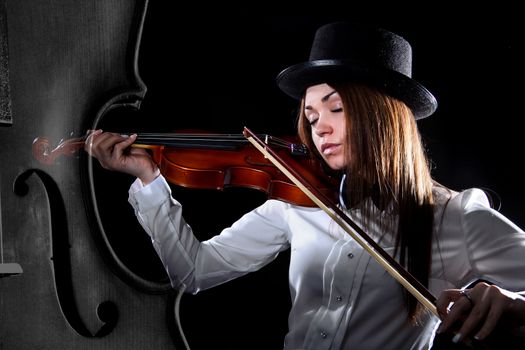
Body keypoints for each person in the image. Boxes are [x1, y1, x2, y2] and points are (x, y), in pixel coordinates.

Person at [85, 22, 525, 349]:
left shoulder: (453, 216)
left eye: (335, 109)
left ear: (383, 117)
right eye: (312, 117)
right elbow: (195, 271)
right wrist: (150, 179)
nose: (320, 131)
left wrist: (507, 299)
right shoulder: (298, 199)